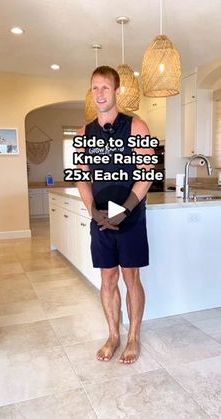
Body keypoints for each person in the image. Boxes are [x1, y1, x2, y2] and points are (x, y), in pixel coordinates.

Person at [76, 66, 155, 364]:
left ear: (117, 91)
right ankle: (113, 334)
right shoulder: (84, 133)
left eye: (105, 88)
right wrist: (92, 210)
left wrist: (126, 211)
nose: (99, 94)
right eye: (95, 88)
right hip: (101, 218)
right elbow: (82, 177)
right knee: (107, 278)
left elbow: (147, 174)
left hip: (130, 215)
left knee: (130, 277)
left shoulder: (136, 127)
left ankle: (133, 336)